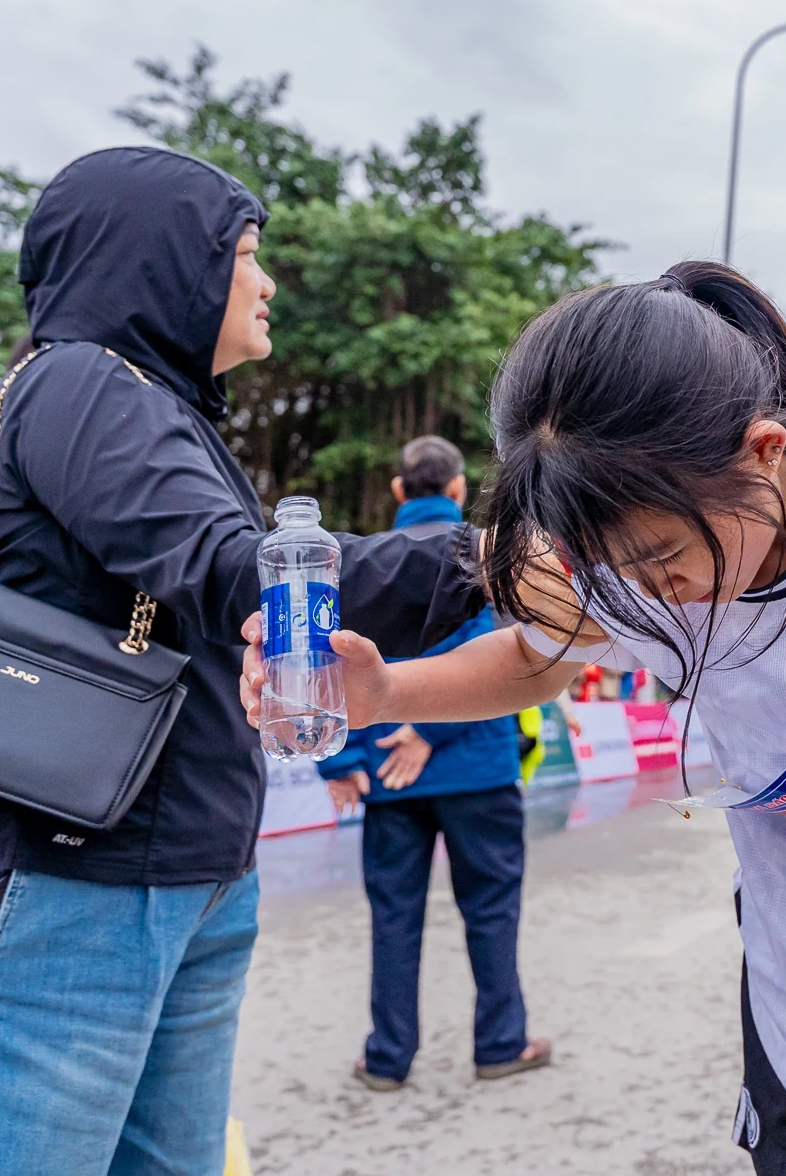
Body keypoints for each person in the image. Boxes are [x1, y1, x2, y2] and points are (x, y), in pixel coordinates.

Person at [242, 262, 786, 1176]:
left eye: (663, 557)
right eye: (616, 571)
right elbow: (543, 653)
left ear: (765, 448)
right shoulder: (627, 551)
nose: (652, 596)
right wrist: (384, 694)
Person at [0, 148, 489, 1174]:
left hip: (175, 871)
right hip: (57, 890)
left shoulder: (155, 409)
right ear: (163, 264)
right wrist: (485, 559)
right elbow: (232, 575)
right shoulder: (82, 382)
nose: (264, 283)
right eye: (245, 253)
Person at [317, 434, 552, 1091]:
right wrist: (431, 731)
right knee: (492, 907)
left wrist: (340, 761)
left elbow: (333, 660)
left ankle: (387, 1056)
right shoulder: (489, 551)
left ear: (398, 490)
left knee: (393, 915)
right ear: (456, 489)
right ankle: (501, 1042)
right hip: (476, 766)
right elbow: (495, 646)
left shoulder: (364, 563)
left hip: (388, 773)